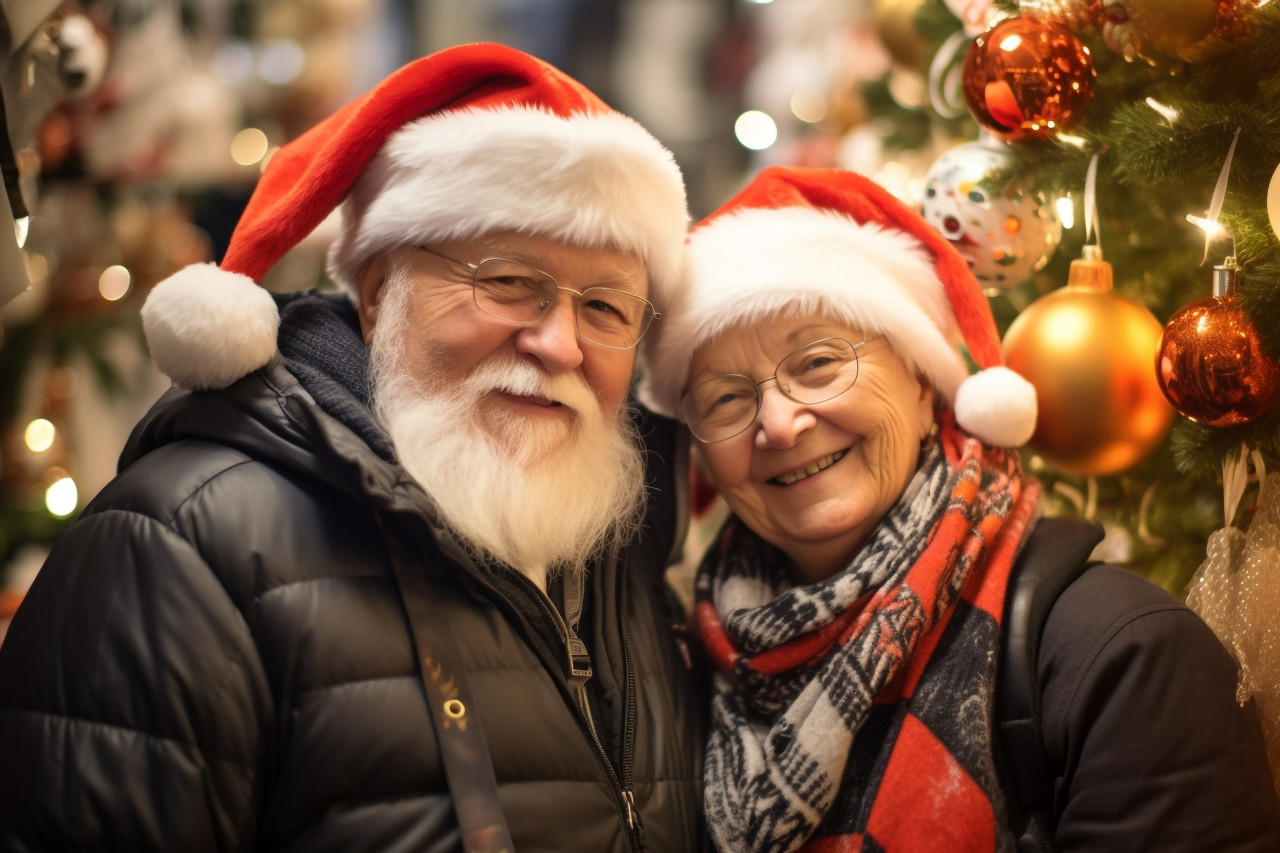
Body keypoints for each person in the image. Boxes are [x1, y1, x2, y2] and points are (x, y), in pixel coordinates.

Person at [0, 43, 706, 852]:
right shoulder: (179, 547)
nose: (559, 343)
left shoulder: (626, 549)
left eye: (608, 309)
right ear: (378, 291)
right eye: (508, 280)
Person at [639, 165, 1280, 852]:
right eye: (726, 400)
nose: (779, 423)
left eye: (819, 363)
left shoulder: (1122, 656)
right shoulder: (680, 671)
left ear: (924, 383)